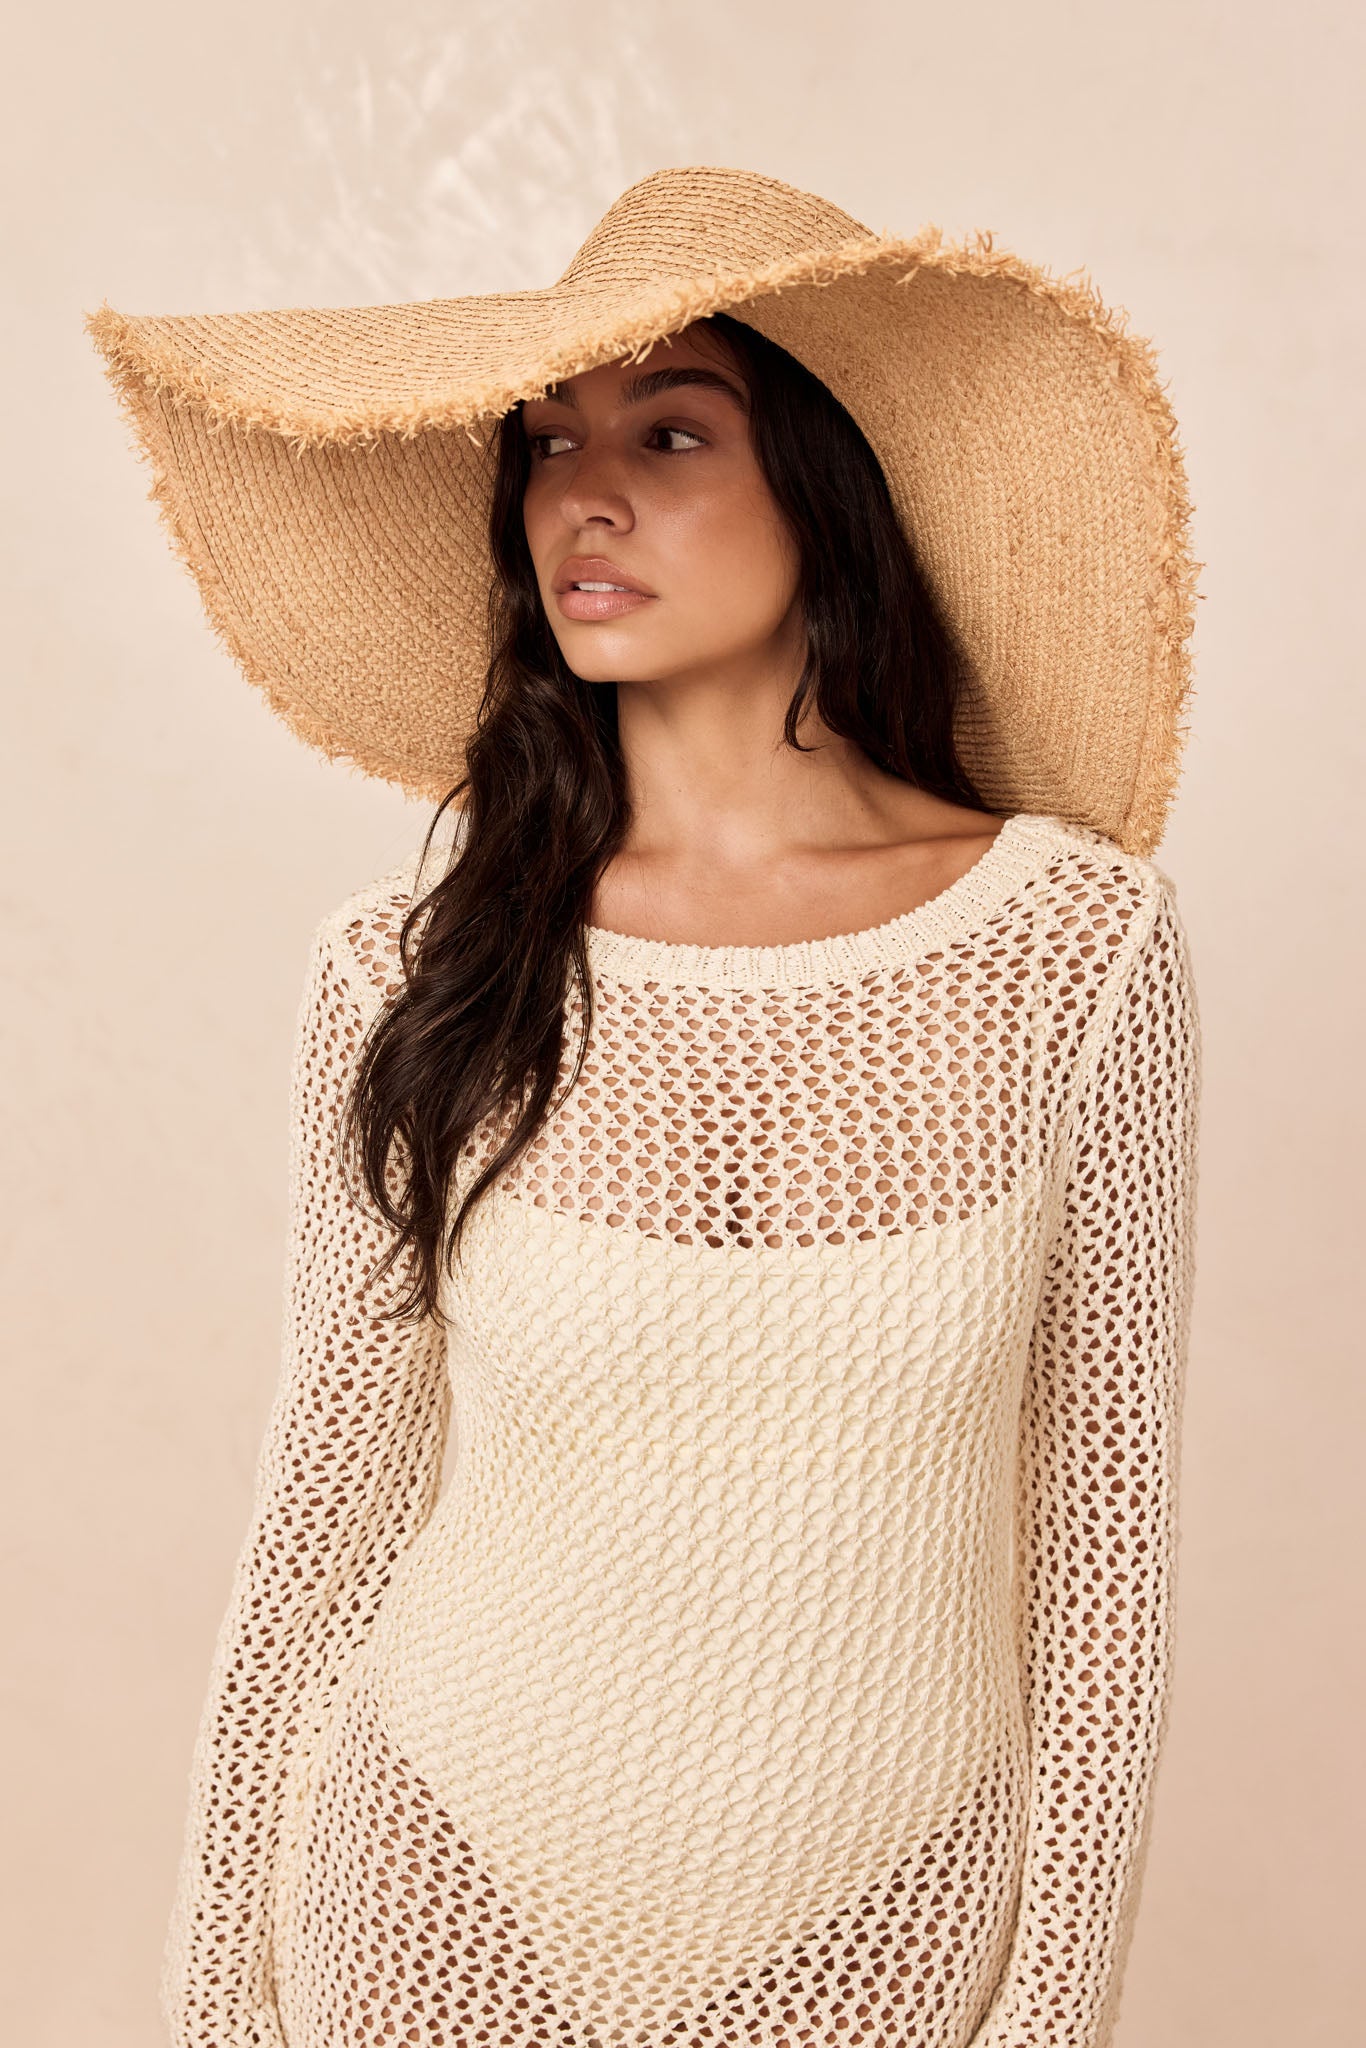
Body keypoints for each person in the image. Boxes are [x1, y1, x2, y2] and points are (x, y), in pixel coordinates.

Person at [87, 167, 1202, 2048]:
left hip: (885, 1907)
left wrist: (1052, 2007)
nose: (580, 499)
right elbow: (323, 1530)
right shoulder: (415, 969)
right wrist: (217, 2003)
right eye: (547, 446)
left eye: (670, 433)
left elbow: (1100, 1550)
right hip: (431, 1877)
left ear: (827, 493)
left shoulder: (1073, 949)